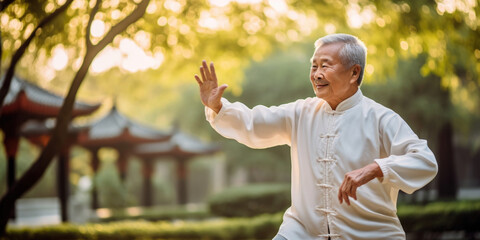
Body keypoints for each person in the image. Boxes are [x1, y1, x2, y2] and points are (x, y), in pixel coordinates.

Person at [194, 33, 438, 240]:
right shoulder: (301, 112)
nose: (316, 74)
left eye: (325, 65)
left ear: (354, 73)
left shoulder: (381, 118)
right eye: (314, 66)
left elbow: (425, 161)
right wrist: (218, 107)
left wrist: (376, 168)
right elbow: (254, 123)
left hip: (371, 233)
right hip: (302, 231)